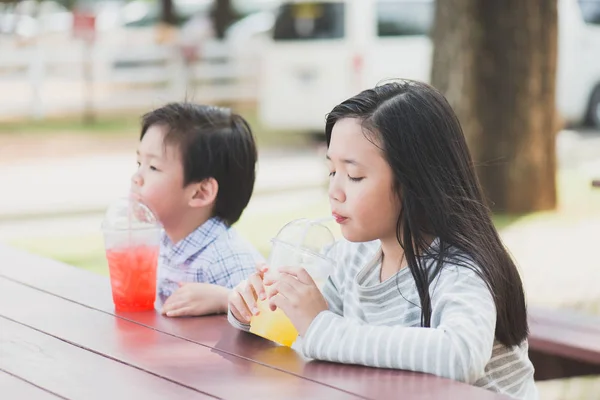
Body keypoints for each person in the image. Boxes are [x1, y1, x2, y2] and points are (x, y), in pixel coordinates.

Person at [227, 81, 537, 399]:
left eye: (355, 176)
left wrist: (321, 327)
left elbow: (459, 356)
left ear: (414, 181)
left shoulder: (459, 269)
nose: (335, 191)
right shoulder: (352, 257)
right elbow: (306, 333)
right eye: (332, 171)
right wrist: (253, 308)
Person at [131, 102, 264, 317]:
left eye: (153, 167)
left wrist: (225, 299)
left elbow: (271, 331)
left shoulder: (231, 260)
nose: (136, 178)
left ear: (200, 193)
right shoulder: (158, 241)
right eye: (139, 163)